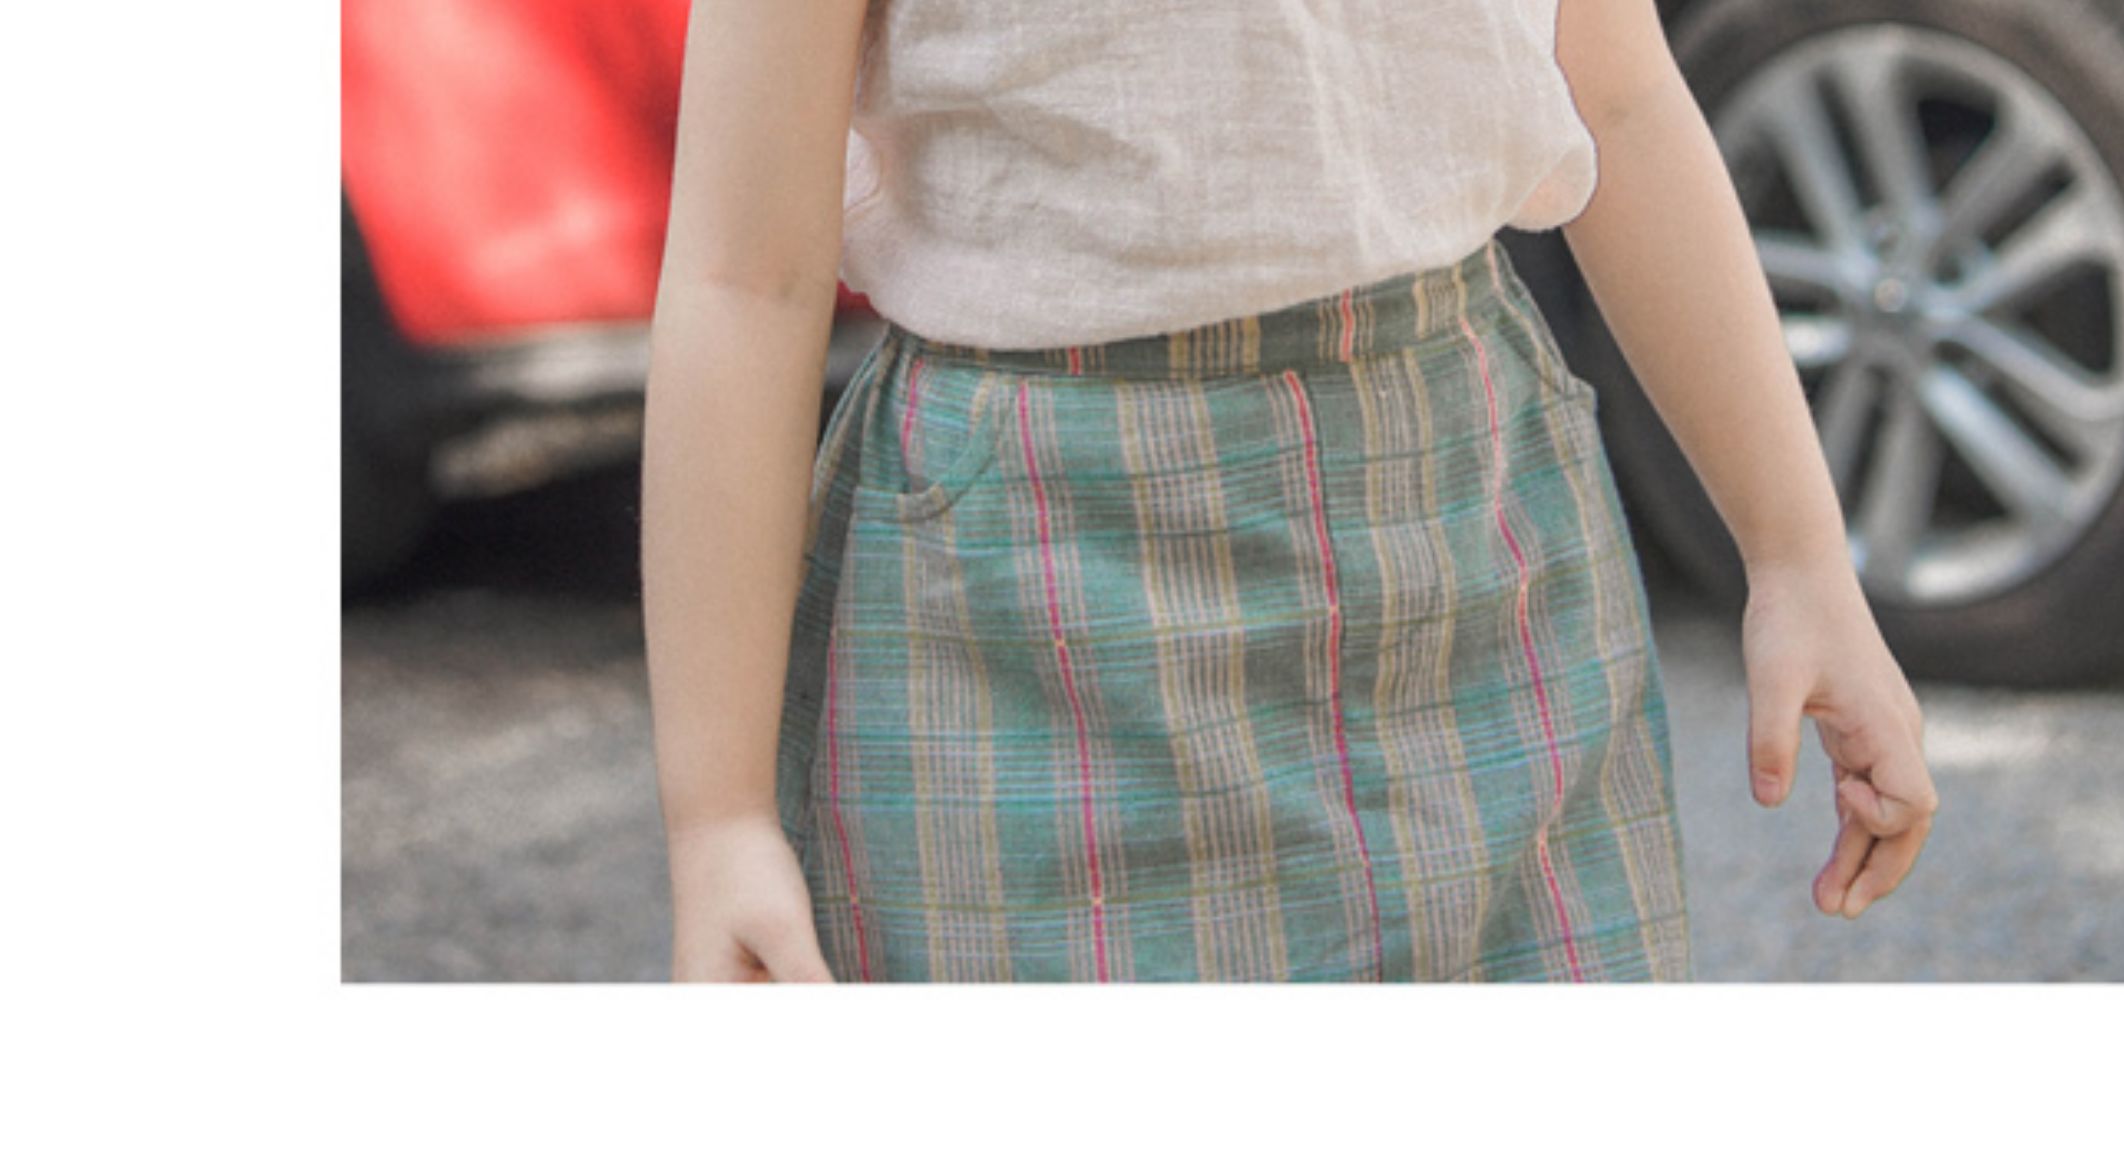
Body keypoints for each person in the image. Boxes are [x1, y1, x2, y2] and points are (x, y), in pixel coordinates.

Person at [642, 0, 1937, 983]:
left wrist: (1799, 557)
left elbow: (1620, 94)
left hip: (1478, 531)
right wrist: (720, 820)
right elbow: (743, 277)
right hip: (1027, 592)